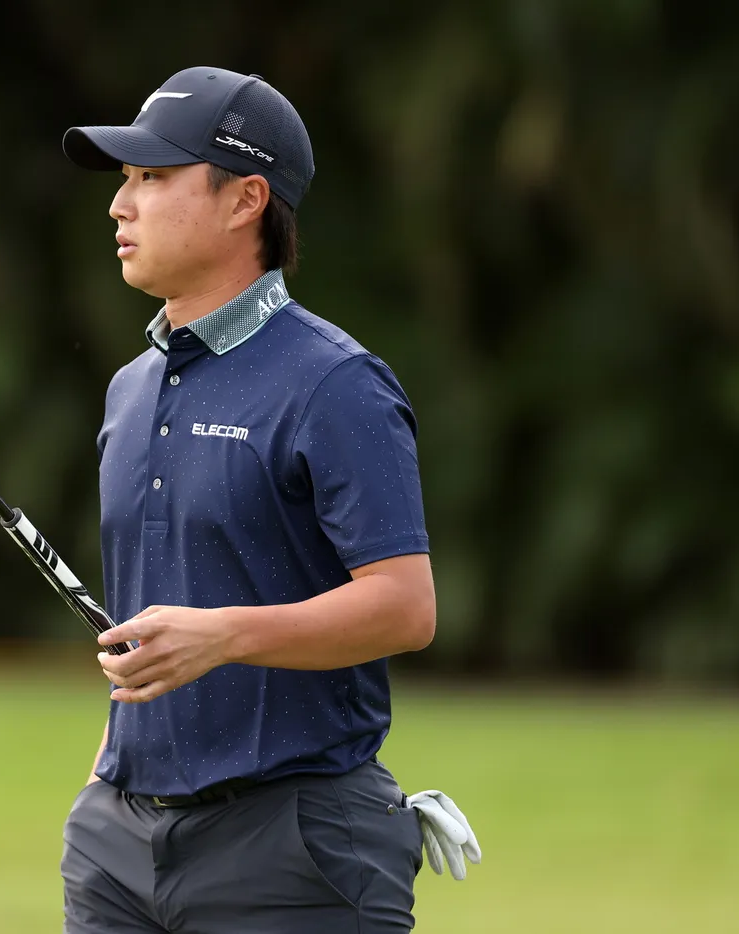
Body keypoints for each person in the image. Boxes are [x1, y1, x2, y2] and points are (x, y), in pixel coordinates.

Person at [58, 66, 479, 934]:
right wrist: (103, 783)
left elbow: (406, 608)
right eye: (125, 179)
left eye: (153, 177)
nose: (120, 206)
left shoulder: (336, 383)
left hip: (295, 846)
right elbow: (155, 610)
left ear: (246, 200)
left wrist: (222, 636)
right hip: (118, 847)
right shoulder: (129, 391)